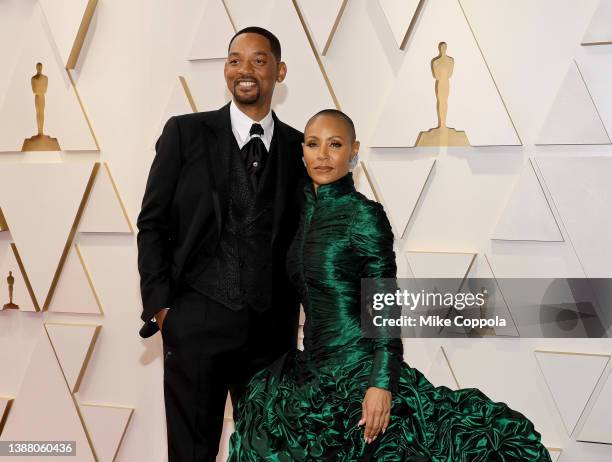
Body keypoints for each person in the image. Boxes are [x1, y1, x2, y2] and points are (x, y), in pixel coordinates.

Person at [228, 109, 552, 461]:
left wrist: (380, 384)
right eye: (312, 144)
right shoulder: (299, 214)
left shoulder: (364, 216)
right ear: (302, 151)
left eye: (334, 144)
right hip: (312, 372)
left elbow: (384, 305)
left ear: (354, 151)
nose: (322, 154)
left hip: (360, 371)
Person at [136, 26, 307, 461]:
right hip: (195, 326)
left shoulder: (299, 147)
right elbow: (152, 223)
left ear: (280, 71)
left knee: (266, 455)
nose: (244, 70)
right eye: (235, 60)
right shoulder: (185, 133)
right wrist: (163, 309)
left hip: (271, 339)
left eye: (258, 60)